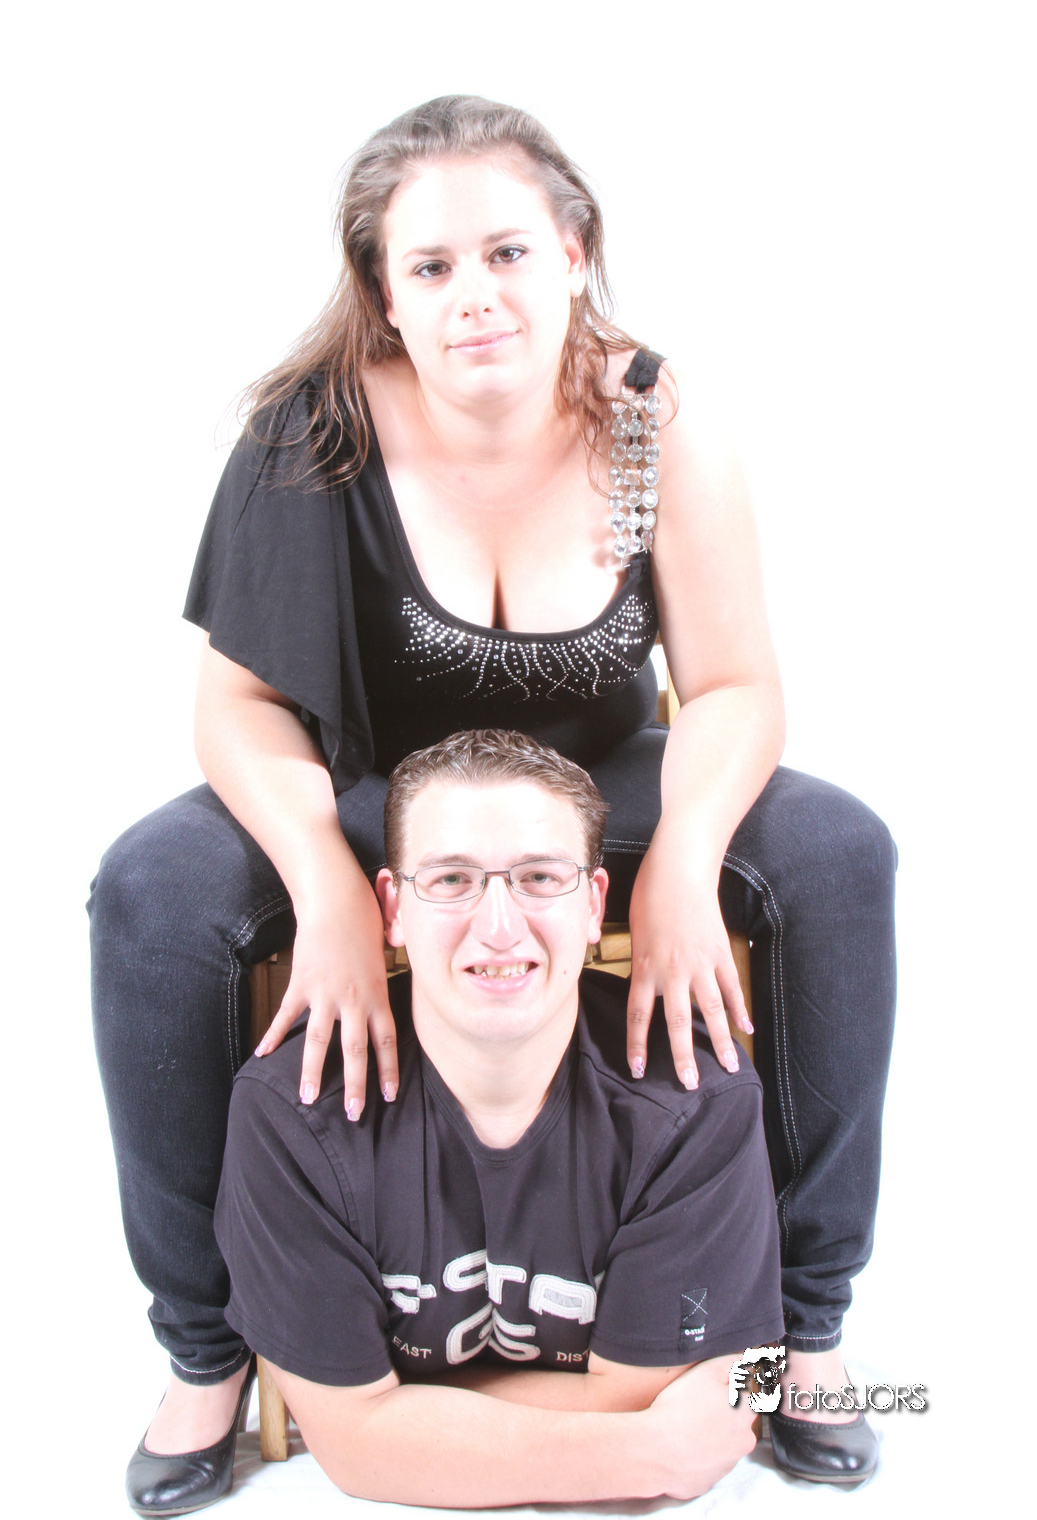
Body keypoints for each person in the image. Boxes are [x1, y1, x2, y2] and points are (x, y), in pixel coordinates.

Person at [90, 94, 896, 1513]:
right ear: (384, 293)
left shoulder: (651, 421)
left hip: (604, 781)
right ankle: (206, 1351)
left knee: (836, 852)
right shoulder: (315, 430)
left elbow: (733, 685)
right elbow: (237, 708)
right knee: (154, 895)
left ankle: (806, 1332)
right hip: (374, 793)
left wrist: (684, 857)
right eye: (432, 265)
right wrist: (331, 887)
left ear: (573, 253)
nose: (476, 294)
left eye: (508, 252)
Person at [214, 729, 786, 1506]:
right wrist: (647, 1452)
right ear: (392, 907)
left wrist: (391, 1411)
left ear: (593, 904)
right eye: (450, 879)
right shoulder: (293, 1111)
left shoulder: (694, 1099)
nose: (498, 926)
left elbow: (662, 1389)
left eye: (539, 877)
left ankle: (820, 1356)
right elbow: (347, 1448)